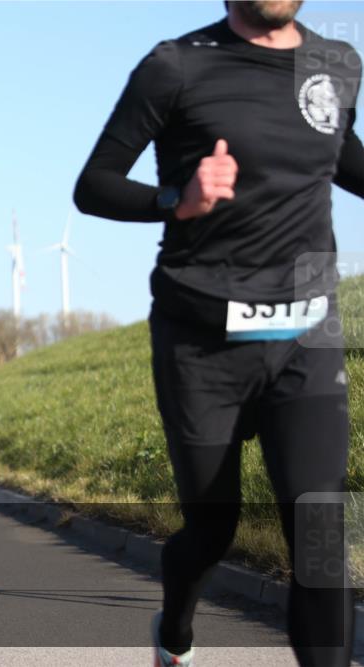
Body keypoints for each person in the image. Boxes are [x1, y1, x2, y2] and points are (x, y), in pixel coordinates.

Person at [74, 2, 362, 665]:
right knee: (212, 528)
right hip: (201, 342)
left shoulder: (336, 63)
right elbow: (93, 186)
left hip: (305, 335)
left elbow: (332, 151)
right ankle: (175, 629)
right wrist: (177, 196)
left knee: (321, 533)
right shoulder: (174, 65)